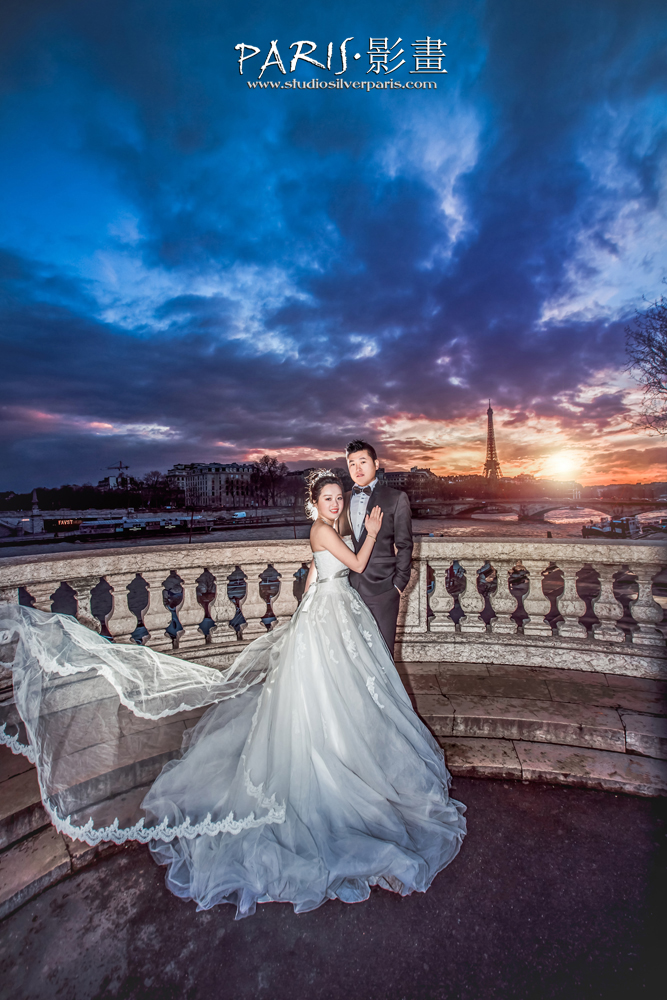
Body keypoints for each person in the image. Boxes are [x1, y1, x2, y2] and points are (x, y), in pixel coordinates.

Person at [0, 471, 465, 920]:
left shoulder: (327, 531)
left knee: (341, 694)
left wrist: (303, 615)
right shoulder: (323, 530)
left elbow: (312, 576)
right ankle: (339, 767)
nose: (335, 504)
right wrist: (375, 532)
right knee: (332, 695)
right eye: (328, 498)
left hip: (329, 613)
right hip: (334, 611)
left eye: (338, 498)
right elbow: (359, 565)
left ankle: (346, 755)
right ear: (315, 504)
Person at [340, 439, 413, 656]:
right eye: (352, 463)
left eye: (363, 461)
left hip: (383, 590)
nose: (357, 468)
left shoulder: (396, 498)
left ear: (376, 464)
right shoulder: (341, 500)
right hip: (347, 590)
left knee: (383, 655)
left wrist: (398, 585)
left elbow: (404, 545)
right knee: (353, 657)